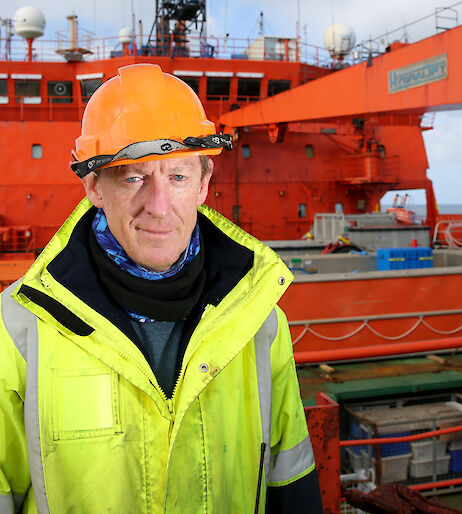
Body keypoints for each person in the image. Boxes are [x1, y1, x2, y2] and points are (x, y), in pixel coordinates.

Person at [0, 63, 323, 513]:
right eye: (134, 177)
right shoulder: (17, 333)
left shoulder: (261, 322)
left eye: (177, 177)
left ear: (203, 184)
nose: (158, 206)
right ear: (94, 186)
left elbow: (291, 482)